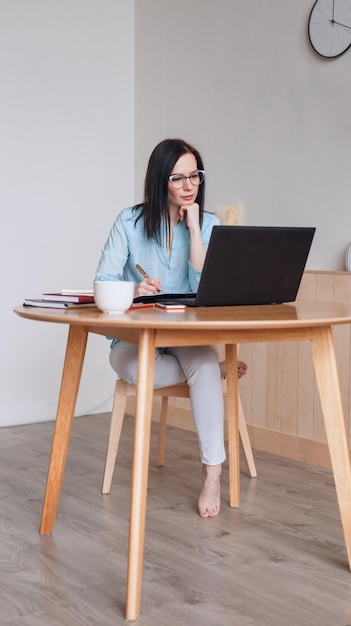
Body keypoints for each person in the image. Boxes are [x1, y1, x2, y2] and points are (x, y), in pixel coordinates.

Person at [95, 138, 247, 517]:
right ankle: (212, 371)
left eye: (194, 175)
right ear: (160, 180)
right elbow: (103, 279)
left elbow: (206, 281)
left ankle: (212, 473)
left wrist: (194, 229)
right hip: (134, 337)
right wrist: (134, 289)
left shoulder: (209, 224)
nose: (189, 185)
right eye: (178, 178)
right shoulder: (129, 221)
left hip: (186, 334)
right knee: (157, 370)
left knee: (201, 362)